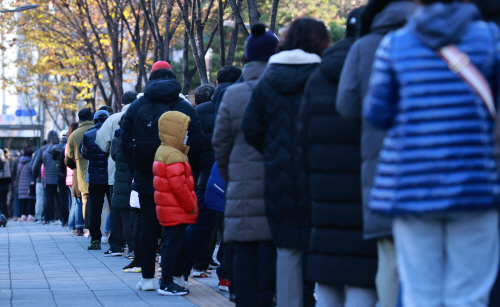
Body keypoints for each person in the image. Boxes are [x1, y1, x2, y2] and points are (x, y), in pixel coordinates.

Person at [363, 0, 500, 306]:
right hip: (475, 185)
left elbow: (376, 114)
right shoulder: (490, 37)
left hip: (413, 185)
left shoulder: (395, 44)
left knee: (419, 295)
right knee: (469, 296)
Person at [242, 18, 330, 307]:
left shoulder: (268, 79)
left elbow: (251, 126)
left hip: (278, 174)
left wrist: (273, 151)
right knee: (320, 245)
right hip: (318, 172)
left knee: (287, 248)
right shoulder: (323, 75)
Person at [335, 1, 416, 306]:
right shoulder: (442, 38)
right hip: (439, 168)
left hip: (380, 163)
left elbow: (347, 105)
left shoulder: (365, 45)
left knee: (390, 257)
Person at [297, 9, 378, 307]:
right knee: (362, 278)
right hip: (368, 194)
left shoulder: (319, 75)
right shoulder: (378, 63)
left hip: (323, 196)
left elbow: (301, 140)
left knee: (328, 278)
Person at [213, 22, 279, 307]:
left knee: (244, 254)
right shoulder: (281, 89)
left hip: (240, 187)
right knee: (271, 254)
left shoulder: (233, 95)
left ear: (246, 60)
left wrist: (233, 176)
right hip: (279, 186)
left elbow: (220, 143)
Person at [121, 65, 204, 291]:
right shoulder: (184, 106)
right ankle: (174, 276)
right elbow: (198, 143)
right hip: (177, 175)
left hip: (147, 177)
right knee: (176, 227)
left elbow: (124, 144)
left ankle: (147, 278)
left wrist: (135, 171)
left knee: (148, 226)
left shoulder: (136, 106)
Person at [184, 67, 241, 282]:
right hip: (238, 176)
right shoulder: (244, 103)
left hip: (206, 176)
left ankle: (183, 269)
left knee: (199, 225)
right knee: (232, 229)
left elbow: (193, 147)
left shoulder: (201, 110)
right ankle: (226, 277)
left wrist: (198, 173)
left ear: (217, 84)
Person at [153, 111, 199, 296]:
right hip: (176, 209)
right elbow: (179, 187)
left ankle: (168, 280)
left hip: (168, 208)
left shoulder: (164, 150)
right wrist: (192, 206)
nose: (186, 134)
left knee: (169, 244)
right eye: (184, 130)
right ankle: (166, 283)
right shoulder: (174, 154)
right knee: (173, 246)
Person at [96, 91, 138, 258]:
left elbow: (100, 141)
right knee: (136, 210)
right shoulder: (142, 112)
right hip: (139, 170)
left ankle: (116, 245)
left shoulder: (113, 119)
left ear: (121, 104)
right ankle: (134, 246)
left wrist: (112, 150)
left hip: (116, 171)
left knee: (117, 209)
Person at [81, 110, 111, 251]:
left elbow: (85, 154)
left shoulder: (87, 135)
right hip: (110, 176)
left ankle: (95, 240)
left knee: (95, 209)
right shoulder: (112, 133)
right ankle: (117, 240)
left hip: (94, 178)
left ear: (95, 120)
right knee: (114, 208)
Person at [66, 108, 94, 231]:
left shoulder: (74, 134)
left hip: (82, 172)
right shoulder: (97, 130)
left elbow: (70, 156)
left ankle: (88, 229)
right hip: (101, 170)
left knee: (85, 200)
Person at [65, 123, 84, 235]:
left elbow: (67, 160)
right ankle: (77, 225)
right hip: (75, 175)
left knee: (74, 202)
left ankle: (71, 224)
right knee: (78, 202)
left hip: (70, 176)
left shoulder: (69, 142)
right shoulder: (75, 142)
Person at [41, 132, 60, 225]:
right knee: (59, 199)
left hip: (48, 179)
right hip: (57, 178)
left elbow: (43, 166)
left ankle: (48, 218)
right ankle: (60, 218)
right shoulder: (60, 150)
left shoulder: (44, 153)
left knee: (48, 200)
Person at [52, 130, 69, 226]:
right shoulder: (69, 145)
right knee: (71, 197)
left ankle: (64, 218)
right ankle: (70, 217)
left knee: (62, 198)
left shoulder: (55, 148)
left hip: (60, 175)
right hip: (70, 174)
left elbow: (54, 161)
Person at [17, 147, 35, 220]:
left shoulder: (19, 163)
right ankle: (30, 215)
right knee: (31, 199)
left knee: (23, 200)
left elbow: (17, 173)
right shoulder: (31, 163)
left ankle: (23, 215)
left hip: (21, 183)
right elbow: (33, 173)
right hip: (29, 184)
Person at [0, 149, 12, 218]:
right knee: (4, 200)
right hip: (5, 184)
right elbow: (8, 174)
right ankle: (5, 215)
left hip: (2, 183)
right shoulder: (6, 162)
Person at [10, 151, 21, 220]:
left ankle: (16, 215)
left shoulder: (15, 161)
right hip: (27, 183)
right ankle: (25, 215)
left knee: (16, 199)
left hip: (16, 182)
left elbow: (12, 172)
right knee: (26, 199)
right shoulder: (30, 160)